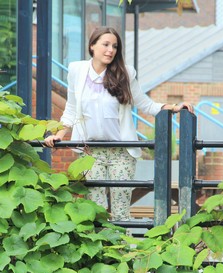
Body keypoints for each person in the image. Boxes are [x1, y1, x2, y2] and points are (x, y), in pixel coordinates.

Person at [44, 27, 194, 221]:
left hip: (122, 152)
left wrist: (173, 107)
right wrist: (59, 134)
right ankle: (100, 251)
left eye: (114, 46)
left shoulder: (125, 73)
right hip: (92, 151)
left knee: (121, 211)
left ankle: (122, 251)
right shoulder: (77, 71)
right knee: (95, 211)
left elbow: (145, 104)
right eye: (105, 44)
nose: (110, 50)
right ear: (92, 46)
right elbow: (71, 109)